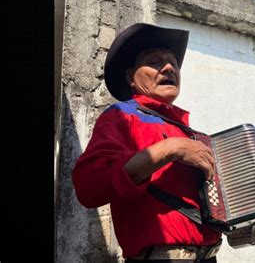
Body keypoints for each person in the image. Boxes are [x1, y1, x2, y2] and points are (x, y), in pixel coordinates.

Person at [72, 23, 222, 262]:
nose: (169, 67)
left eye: (173, 62)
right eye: (154, 62)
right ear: (131, 77)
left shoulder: (186, 130)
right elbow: (89, 187)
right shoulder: (121, 116)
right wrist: (170, 149)